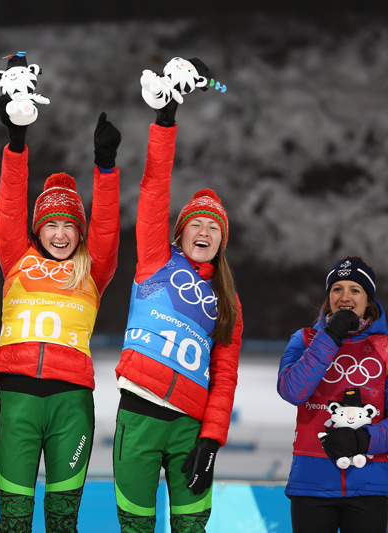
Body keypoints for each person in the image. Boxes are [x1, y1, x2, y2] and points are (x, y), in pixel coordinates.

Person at [0, 53, 122, 532]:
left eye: (70, 225)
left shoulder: (93, 268)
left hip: (71, 402)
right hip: (18, 397)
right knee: (15, 516)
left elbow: (107, 227)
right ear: (37, 230)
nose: (61, 234)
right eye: (51, 225)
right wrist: (17, 141)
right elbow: (9, 203)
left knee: (64, 519)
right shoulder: (16, 258)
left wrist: (105, 170)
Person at [113, 71, 243, 532]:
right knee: (136, 527)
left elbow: (224, 377)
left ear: (222, 241)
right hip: (140, 416)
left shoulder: (228, 298)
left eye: (214, 228)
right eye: (197, 224)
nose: (205, 232)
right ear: (179, 232)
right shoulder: (154, 260)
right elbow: (153, 192)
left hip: (191, 426)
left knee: (192, 528)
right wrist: (165, 121)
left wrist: (211, 441)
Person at [278, 256, 388, 533]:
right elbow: (292, 391)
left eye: (355, 289)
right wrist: (330, 336)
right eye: (337, 289)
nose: (345, 296)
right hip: (311, 484)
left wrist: (364, 439)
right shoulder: (303, 340)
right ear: (328, 297)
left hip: (370, 484)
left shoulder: (386, 348)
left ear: (369, 299)